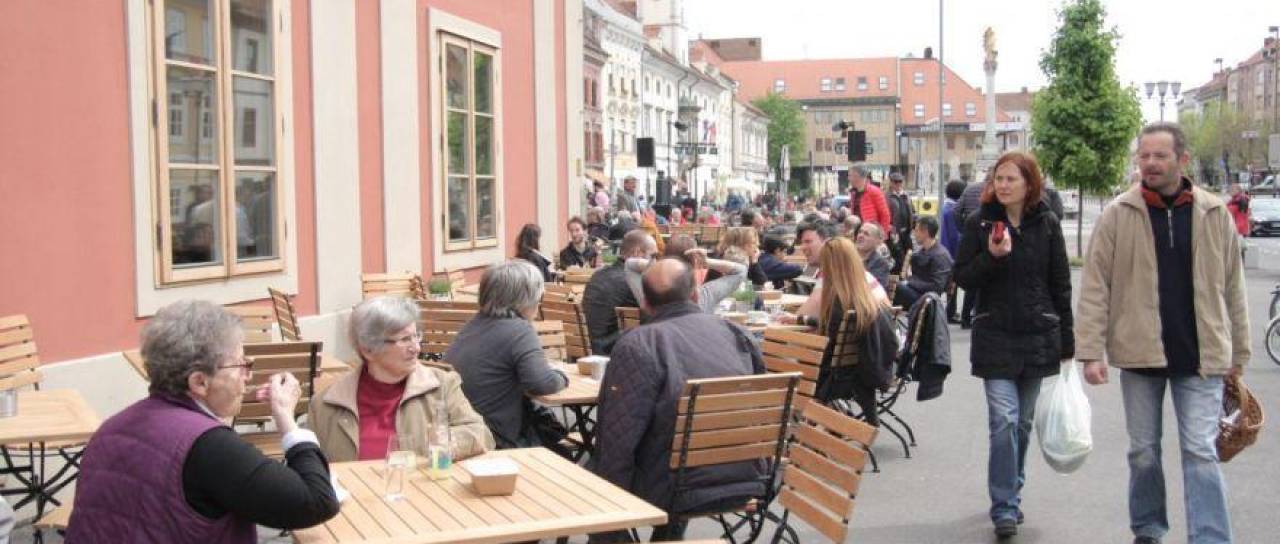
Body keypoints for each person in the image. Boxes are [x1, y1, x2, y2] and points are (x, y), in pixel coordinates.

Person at [1077, 123, 1249, 544]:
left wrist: (1239, 353)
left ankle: (1210, 538)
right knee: (1143, 452)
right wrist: (1091, 351)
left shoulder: (1213, 212)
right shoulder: (1119, 214)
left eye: (1160, 156)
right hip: (1139, 354)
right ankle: (1148, 528)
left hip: (1202, 355)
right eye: (1144, 156)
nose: (1150, 163)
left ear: (1182, 159)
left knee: (1201, 451)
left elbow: (1234, 286)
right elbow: (1096, 286)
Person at [67, 300, 340, 541]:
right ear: (199, 382)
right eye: (241, 365)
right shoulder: (207, 445)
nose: (248, 375)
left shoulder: (111, 428)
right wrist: (287, 419)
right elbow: (316, 501)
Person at [590, 258, 765, 542]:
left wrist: (608, 506)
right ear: (695, 294)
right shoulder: (738, 334)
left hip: (674, 487)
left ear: (645, 304)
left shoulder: (639, 343)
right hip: (746, 477)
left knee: (588, 476)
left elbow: (617, 441)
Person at [952, 150, 1073, 538]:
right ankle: (1004, 505)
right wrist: (992, 257)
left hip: (1038, 334)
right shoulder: (979, 222)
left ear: (1029, 184)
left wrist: (1067, 341)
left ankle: (1013, 487)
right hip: (995, 334)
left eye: (1011, 179)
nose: (1002, 186)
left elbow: (1060, 284)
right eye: (998, 178)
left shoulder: (1047, 223)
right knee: (1004, 420)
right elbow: (963, 277)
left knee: (1022, 423)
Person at [309, 296, 494, 463]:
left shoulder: (442, 385)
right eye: (405, 339)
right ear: (368, 350)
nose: (416, 348)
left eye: (416, 336)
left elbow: (481, 434)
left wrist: (448, 442)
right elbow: (311, 467)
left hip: (423, 489)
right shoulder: (326, 405)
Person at [447, 261, 572, 450]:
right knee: (559, 452)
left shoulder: (473, 325)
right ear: (524, 299)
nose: (538, 303)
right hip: (494, 437)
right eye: (538, 297)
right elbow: (541, 383)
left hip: (463, 430)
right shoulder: (519, 330)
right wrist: (562, 377)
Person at [800, 237, 894, 424]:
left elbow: (827, 338)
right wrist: (804, 320)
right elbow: (834, 326)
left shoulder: (837, 298)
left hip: (830, 376)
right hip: (860, 369)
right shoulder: (862, 297)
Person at [626, 234, 747, 314]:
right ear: (695, 262)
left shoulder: (650, 296)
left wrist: (661, 266)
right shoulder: (705, 296)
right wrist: (708, 262)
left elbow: (629, 264)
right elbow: (740, 271)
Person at [583, 230, 656, 354]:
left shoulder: (597, 276)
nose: (654, 262)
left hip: (589, 349)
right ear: (637, 253)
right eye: (652, 256)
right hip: (616, 352)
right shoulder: (632, 282)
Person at [894, 216, 953, 309]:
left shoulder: (940, 256)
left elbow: (937, 287)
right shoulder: (923, 251)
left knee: (895, 287)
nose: (914, 234)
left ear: (925, 232)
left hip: (928, 300)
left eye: (916, 230)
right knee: (890, 285)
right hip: (918, 293)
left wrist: (910, 282)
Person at [954, 176, 988, 329]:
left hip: (971, 238)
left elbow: (956, 211)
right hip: (989, 237)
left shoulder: (970, 189)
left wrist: (963, 229)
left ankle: (966, 317)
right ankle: (977, 314)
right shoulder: (998, 193)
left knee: (972, 278)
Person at [940, 179, 967, 322]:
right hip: (951, 251)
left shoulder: (945, 207)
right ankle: (950, 312)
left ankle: (950, 311)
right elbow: (954, 236)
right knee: (952, 283)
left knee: (950, 283)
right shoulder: (952, 210)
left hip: (944, 249)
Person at [845, 162, 892, 234]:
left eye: (850, 175)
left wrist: (882, 236)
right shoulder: (853, 193)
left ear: (857, 176)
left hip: (871, 234)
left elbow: (885, 215)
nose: (848, 178)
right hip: (858, 233)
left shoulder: (874, 191)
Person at [885, 173, 916, 274]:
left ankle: (906, 275)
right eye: (895, 182)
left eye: (900, 181)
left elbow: (912, 211)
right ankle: (898, 277)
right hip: (894, 232)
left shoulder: (906, 195)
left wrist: (913, 224)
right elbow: (885, 214)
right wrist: (890, 228)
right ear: (891, 183)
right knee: (898, 257)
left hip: (906, 231)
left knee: (909, 254)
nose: (898, 184)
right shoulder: (887, 196)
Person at [854, 223, 893, 290]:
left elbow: (875, 289)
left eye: (866, 234)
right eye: (860, 232)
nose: (860, 235)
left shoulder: (880, 264)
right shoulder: (848, 256)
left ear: (877, 241)